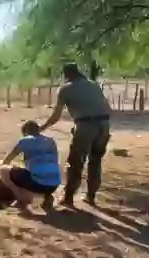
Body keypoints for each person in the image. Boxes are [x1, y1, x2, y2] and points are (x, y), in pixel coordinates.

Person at [39, 63, 111, 207]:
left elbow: (56, 115)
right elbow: (107, 107)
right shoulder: (93, 84)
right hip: (104, 125)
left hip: (85, 125)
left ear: (66, 75)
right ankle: (91, 196)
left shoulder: (66, 89)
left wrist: (42, 127)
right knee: (95, 161)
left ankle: (68, 197)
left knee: (76, 161)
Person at [0, 120, 61, 211]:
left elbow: (7, 160)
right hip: (54, 185)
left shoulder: (25, 141)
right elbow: (53, 162)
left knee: (3, 170)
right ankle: (48, 197)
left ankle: (20, 200)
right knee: (44, 171)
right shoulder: (51, 141)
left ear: (25, 132)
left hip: (38, 184)